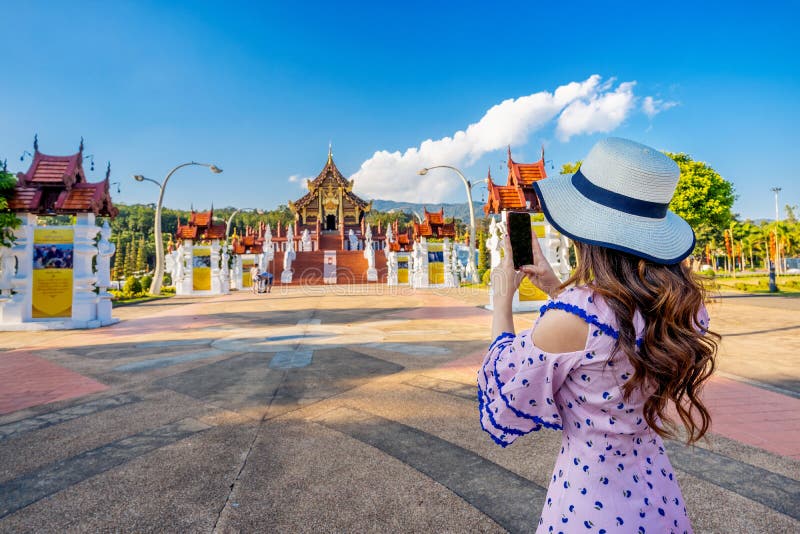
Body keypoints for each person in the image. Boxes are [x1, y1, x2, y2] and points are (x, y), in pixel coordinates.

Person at [478, 137, 718, 534]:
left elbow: (502, 393)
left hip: (589, 501)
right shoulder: (683, 307)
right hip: (656, 491)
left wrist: (502, 297)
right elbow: (612, 330)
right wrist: (557, 290)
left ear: (584, 229)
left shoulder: (576, 316)